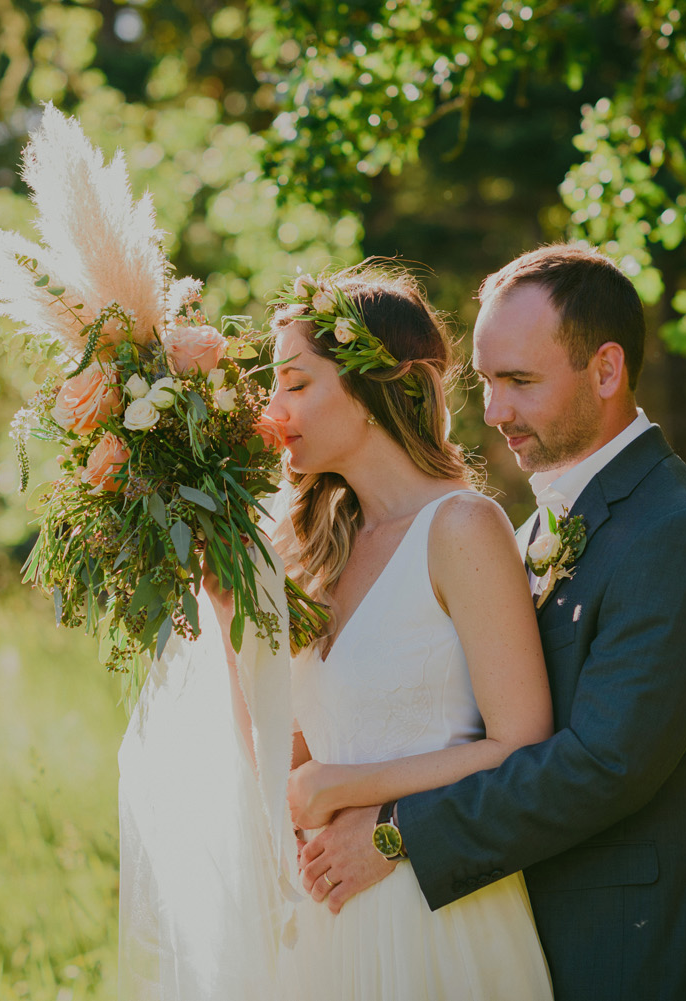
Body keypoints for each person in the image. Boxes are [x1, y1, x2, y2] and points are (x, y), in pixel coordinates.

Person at [297, 243, 686, 1001]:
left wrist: (397, 832)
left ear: (607, 371)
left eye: (519, 381)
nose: (494, 411)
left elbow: (601, 766)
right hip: (521, 942)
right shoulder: (530, 531)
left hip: (643, 956)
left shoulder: (679, 533)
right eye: (486, 382)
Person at [187, 264, 558, 999]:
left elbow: (523, 746)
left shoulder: (462, 526)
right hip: (330, 924)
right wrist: (231, 614)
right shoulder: (317, 548)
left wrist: (347, 787)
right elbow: (279, 770)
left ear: (371, 390)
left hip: (436, 915)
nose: (274, 408)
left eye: (296, 383)